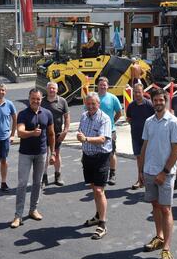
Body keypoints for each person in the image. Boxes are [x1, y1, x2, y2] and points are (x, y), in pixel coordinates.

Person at [140, 89, 177, 259]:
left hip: (165, 173)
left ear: (165, 101)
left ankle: (166, 248)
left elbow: (176, 151)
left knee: (165, 209)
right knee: (155, 206)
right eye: (155, 100)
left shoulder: (174, 122)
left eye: (160, 100)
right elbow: (145, 146)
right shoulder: (149, 122)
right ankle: (159, 237)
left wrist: (164, 172)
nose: (158, 102)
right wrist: (141, 171)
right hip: (149, 171)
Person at [11, 89, 55, 228]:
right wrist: (32, 133)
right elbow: (20, 133)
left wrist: (53, 153)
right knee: (22, 184)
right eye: (33, 99)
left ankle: (33, 210)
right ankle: (18, 216)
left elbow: (51, 134)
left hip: (41, 153)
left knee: (37, 182)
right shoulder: (23, 114)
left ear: (41, 99)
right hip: (25, 153)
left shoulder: (47, 113)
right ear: (29, 99)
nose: (35, 101)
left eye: (38, 99)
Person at [77, 92, 112, 240]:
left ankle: (103, 224)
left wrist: (85, 139)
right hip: (88, 157)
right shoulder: (84, 116)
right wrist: (81, 138)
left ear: (98, 104)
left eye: (93, 104)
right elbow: (81, 133)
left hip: (101, 157)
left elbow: (103, 139)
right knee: (93, 187)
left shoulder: (104, 118)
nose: (90, 106)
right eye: (88, 103)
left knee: (99, 190)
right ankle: (98, 215)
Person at [41, 81, 70, 186]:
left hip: (57, 133)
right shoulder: (41, 101)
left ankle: (58, 176)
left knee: (57, 154)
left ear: (57, 90)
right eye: (50, 88)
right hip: (44, 134)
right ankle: (44, 177)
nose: (51, 90)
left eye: (53, 88)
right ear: (47, 89)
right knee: (44, 155)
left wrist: (65, 131)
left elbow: (67, 117)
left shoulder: (62, 101)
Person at [126, 82, 153, 190]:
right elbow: (129, 119)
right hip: (136, 136)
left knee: (149, 159)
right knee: (139, 158)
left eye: (139, 92)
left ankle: (149, 181)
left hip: (148, 138)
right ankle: (140, 180)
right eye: (135, 92)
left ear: (143, 92)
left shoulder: (149, 105)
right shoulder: (131, 106)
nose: (137, 94)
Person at [96, 77, 122, 185]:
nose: (102, 87)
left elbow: (119, 112)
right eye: (101, 85)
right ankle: (98, 173)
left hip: (110, 131)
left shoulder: (113, 98)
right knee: (97, 153)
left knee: (111, 153)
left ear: (107, 86)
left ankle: (112, 174)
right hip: (96, 131)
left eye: (104, 85)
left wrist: (112, 123)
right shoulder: (93, 97)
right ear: (97, 85)